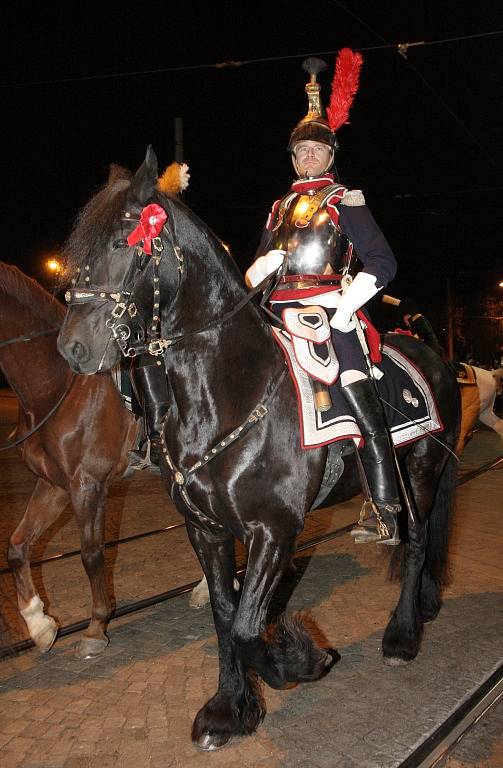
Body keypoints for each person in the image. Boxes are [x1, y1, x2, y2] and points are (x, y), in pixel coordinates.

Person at [245, 51, 401, 545]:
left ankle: (385, 506)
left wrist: (348, 302)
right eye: (301, 151)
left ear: (331, 155)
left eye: (316, 149)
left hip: (334, 311)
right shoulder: (280, 206)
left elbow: (382, 261)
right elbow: (262, 261)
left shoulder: (343, 201)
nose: (308, 155)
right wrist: (258, 270)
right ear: (292, 158)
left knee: (358, 394)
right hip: (278, 310)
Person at [126, 161, 190, 473]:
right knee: (139, 357)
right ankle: (146, 436)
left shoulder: (174, 239)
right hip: (150, 323)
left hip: (177, 319)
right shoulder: (140, 242)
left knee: (150, 358)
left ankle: (158, 440)